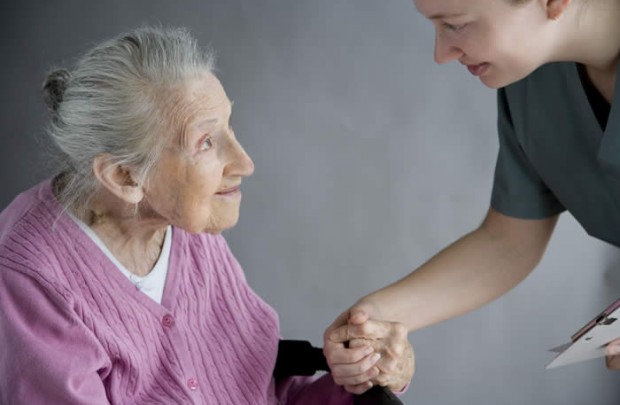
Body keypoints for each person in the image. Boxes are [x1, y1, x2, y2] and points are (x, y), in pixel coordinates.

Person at [0, 26, 413, 404]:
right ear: (125, 176)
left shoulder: (187, 225)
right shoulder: (31, 274)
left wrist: (363, 375)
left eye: (229, 128)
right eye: (205, 143)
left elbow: (263, 392)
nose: (244, 162)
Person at [324, 0, 620, 386]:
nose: (441, 54)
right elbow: (509, 241)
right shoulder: (533, 76)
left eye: (455, 25)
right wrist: (375, 316)